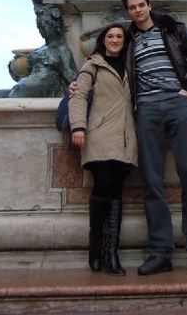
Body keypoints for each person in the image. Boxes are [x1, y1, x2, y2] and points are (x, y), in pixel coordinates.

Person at [123, 0, 187, 276]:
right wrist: (79, 83)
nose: (138, 10)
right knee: (152, 181)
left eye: (141, 5)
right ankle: (160, 252)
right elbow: (104, 61)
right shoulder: (127, 39)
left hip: (178, 104)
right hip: (146, 109)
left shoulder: (174, 29)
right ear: (128, 12)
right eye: (132, 7)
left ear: (149, 6)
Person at [69, 23, 136, 275]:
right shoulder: (93, 64)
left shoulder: (132, 65)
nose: (115, 40)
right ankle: (95, 247)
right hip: (99, 133)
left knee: (116, 191)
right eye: (110, 36)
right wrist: (78, 126)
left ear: (124, 40)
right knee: (103, 185)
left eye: (119, 36)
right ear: (103, 40)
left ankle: (110, 254)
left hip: (126, 136)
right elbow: (79, 95)